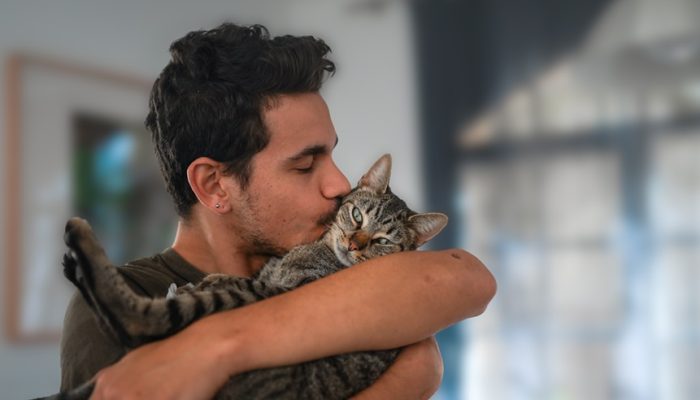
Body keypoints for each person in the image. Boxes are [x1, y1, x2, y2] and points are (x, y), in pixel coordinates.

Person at [60, 22, 496, 399]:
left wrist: (214, 345)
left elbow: (460, 278)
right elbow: (416, 360)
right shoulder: (114, 305)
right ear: (215, 185)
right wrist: (409, 382)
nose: (340, 185)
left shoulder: (330, 262)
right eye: (306, 164)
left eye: (332, 155)